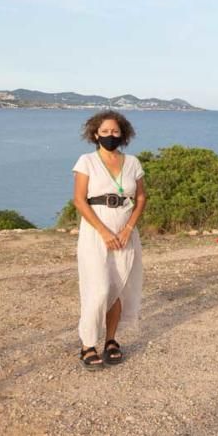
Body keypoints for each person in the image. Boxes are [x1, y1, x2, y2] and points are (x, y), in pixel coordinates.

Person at [71, 110, 147, 370]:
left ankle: (111, 340)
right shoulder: (86, 161)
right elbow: (80, 200)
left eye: (115, 131)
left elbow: (141, 198)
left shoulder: (133, 162)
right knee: (99, 287)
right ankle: (87, 343)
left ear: (123, 134)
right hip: (96, 232)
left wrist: (128, 228)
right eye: (105, 132)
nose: (110, 136)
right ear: (95, 134)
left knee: (118, 287)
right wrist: (104, 231)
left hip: (125, 232)